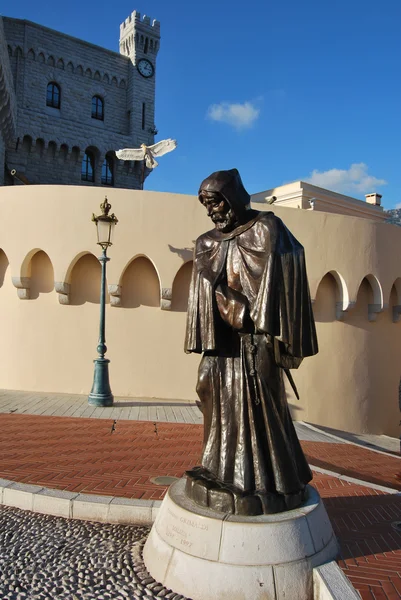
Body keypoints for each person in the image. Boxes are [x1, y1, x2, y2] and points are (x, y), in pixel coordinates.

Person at [184, 169, 318, 516]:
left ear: (233, 197)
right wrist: (216, 294)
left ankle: (267, 482)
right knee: (206, 388)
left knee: (260, 405)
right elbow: (203, 285)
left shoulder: (266, 228)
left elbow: (288, 266)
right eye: (207, 206)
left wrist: (272, 326)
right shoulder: (207, 242)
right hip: (222, 342)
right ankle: (216, 467)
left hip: (255, 340)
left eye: (216, 203)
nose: (213, 212)